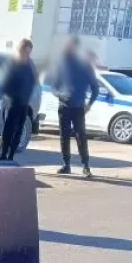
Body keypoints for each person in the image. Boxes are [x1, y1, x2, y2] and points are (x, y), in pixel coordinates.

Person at [50, 37, 98, 177]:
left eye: (71, 46)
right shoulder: (61, 64)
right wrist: (61, 95)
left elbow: (95, 88)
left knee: (80, 136)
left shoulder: (85, 65)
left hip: (78, 107)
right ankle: (66, 165)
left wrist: (89, 104)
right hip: (64, 107)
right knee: (64, 136)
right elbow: (54, 87)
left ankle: (86, 166)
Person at [0, 38, 37, 161]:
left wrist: (27, 95)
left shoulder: (30, 65)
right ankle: (3, 155)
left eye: (29, 52)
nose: (28, 55)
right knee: (8, 131)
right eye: (26, 52)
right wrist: (16, 96)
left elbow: (33, 81)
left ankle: (11, 156)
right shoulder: (12, 64)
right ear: (20, 50)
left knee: (19, 131)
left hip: (24, 104)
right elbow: (4, 85)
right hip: (12, 103)